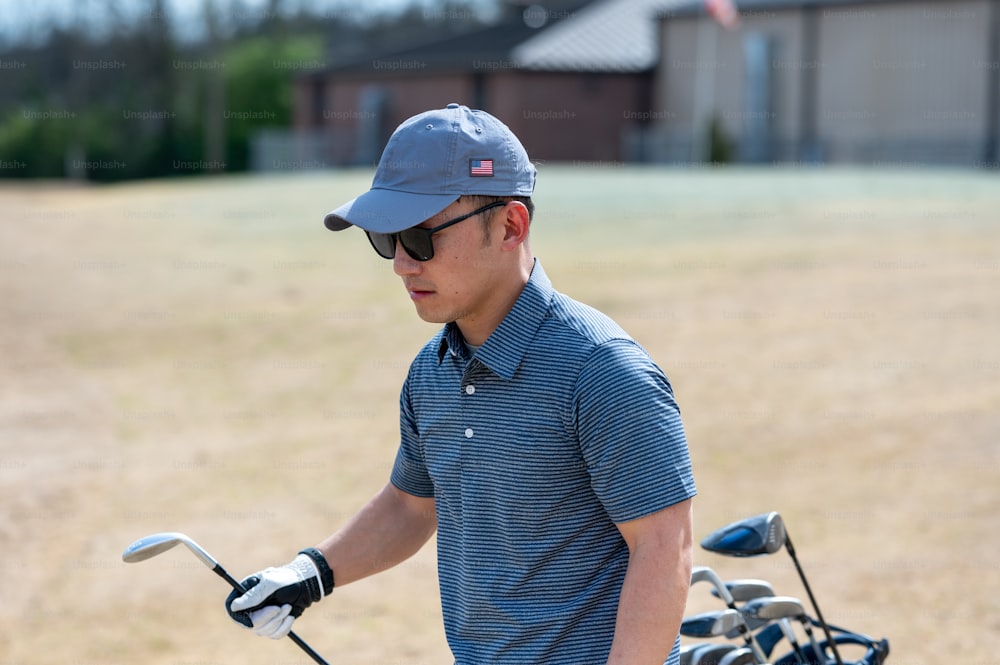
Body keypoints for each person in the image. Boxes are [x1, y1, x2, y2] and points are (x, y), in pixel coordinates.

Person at [225, 103, 697, 665]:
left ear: (511, 226)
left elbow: (664, 550)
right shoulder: (433, 371)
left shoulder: (602, 371)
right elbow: (411, 506)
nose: (401, 264)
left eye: (421, 238)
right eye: (387, 239)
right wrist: (310, 574)